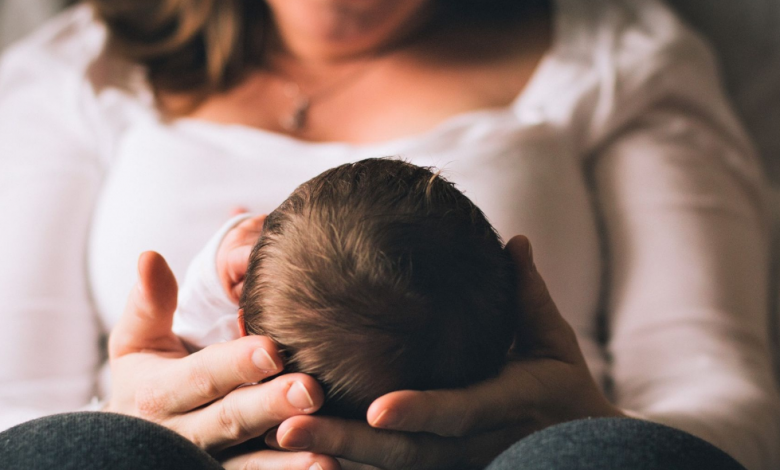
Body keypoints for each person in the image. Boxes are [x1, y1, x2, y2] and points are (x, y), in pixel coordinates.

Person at [0, 0, 778, 469]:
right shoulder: (79, 72)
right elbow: (15, 405)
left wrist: (584, 430)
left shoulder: (618, 60)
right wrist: (141, 426)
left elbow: (727, 399)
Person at [173, 158, 517, 420]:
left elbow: (191, 328)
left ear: (245, 336)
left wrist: (220, 257)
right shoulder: (489, 420)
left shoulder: (230, 406)